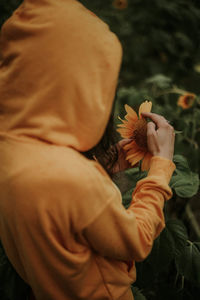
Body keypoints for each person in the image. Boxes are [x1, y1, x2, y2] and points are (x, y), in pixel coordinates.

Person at [0, 0, 175, 299]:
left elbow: (60, 222)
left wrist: (99, 171)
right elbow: (137, 239)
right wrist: (160, 166)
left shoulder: (10, 150)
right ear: (81, 83)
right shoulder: (73, 179)